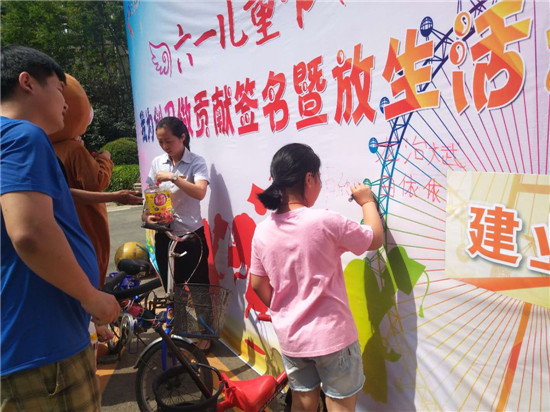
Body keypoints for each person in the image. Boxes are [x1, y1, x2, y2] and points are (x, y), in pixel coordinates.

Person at [0, 45, 120, 411]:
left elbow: (55, 197)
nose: (65, 103)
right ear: (27, 83)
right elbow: (30, 233)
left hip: (21, 341)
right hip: (43, 346)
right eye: (58, 88)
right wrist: (91, 296)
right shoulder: (23, 136)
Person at [250, 143, 384, 412]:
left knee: (303, 402)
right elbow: (374, 238)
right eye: (319, 178)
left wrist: (284, 310)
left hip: (292, 338)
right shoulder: (324, 221)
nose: (320, 184)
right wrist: (367, 201)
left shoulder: (262, 231)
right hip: (333, 337)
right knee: (339, 404)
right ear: (309, 178)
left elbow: (257, 284)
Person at [50, 73, 142, 289]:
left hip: (62, 221)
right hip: (86, 220)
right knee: (93, 266)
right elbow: (96, 183)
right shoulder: (73, 149)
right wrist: (105, 160)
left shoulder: (44, 145)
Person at [142, 116, 212, 352]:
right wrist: (147, 216)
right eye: (161, 142)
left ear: (183, 137)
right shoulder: (157, 162)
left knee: (199, 286)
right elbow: (150, 195)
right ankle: (180, 333)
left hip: (191, 235)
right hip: (164, 234)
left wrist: (174, 177)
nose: (165, 146)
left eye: (169, 141)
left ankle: (205, 335)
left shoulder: (196, 162)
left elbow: (200, 192)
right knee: (173, 288)